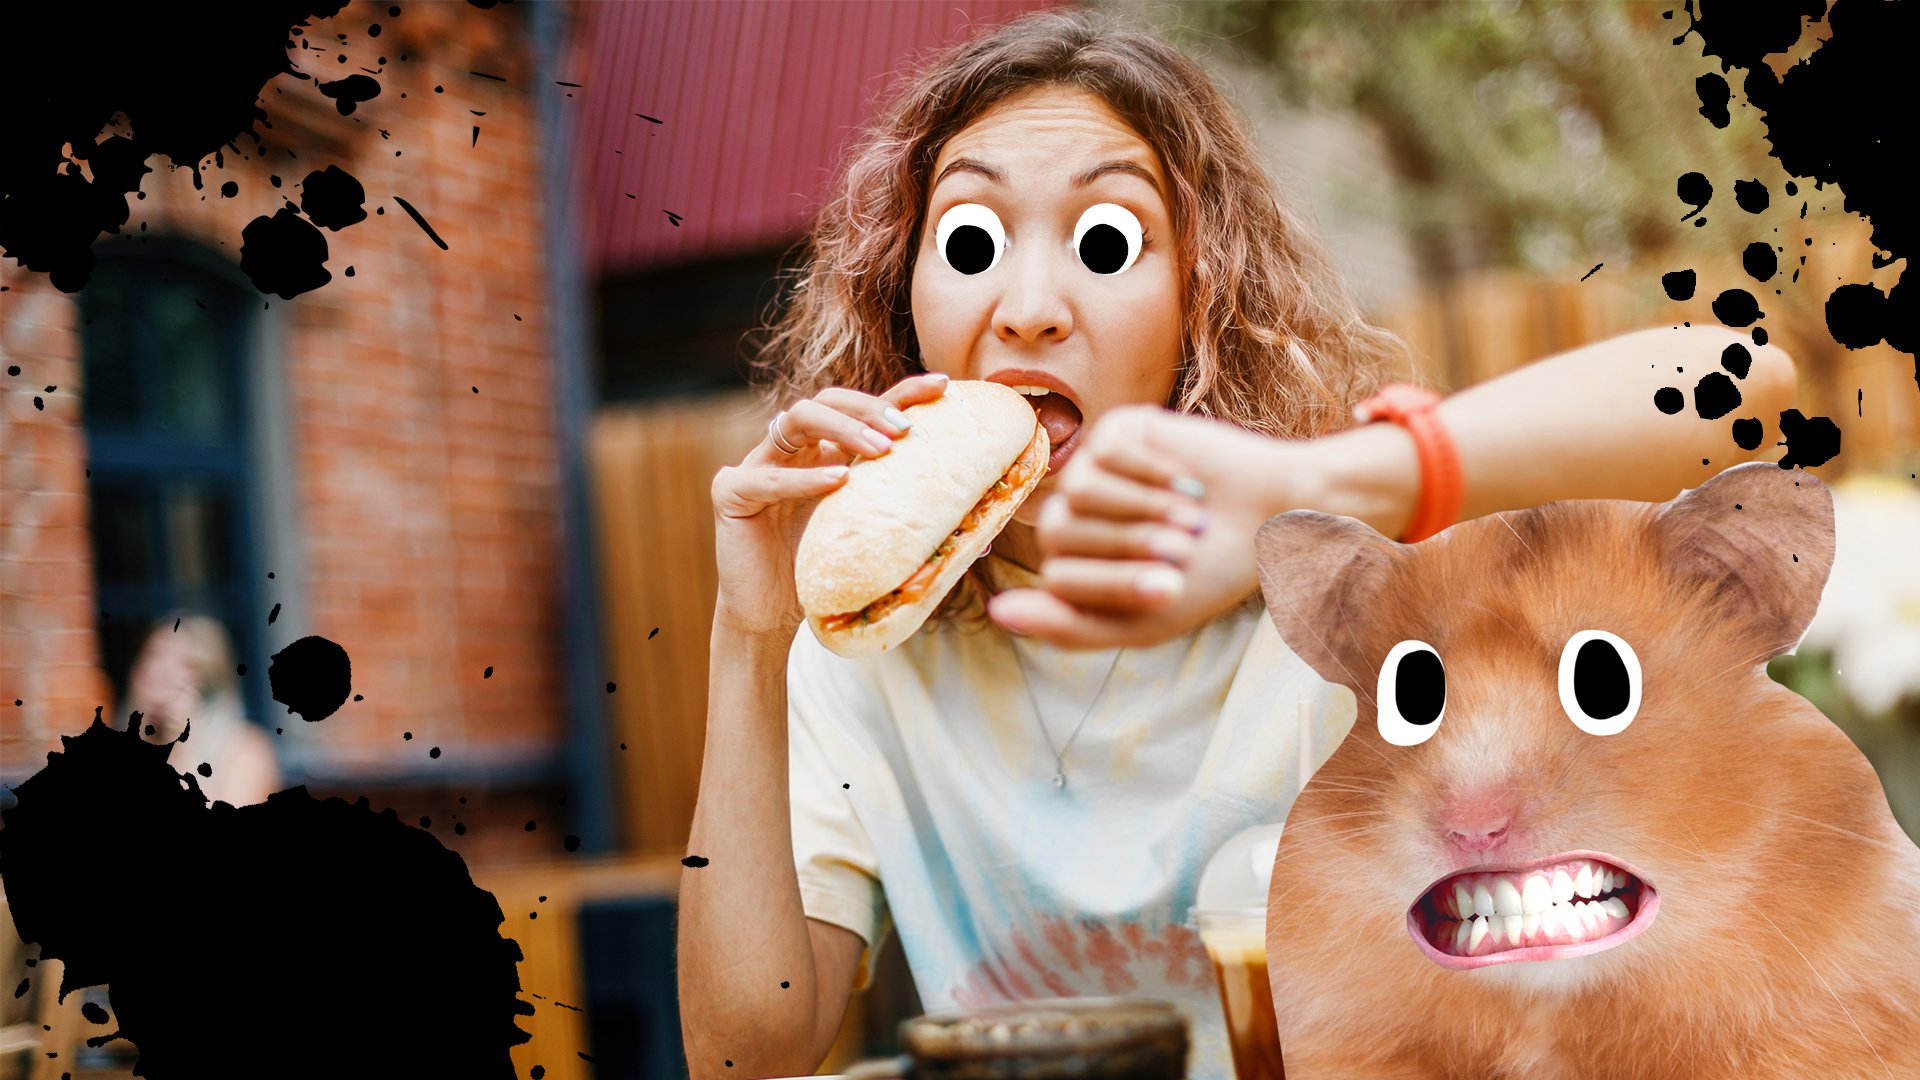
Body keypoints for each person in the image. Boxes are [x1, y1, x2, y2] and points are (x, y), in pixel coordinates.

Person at [676, 10, 1794, 1078]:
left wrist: (1325, 483)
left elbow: (1746, 387)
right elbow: (744, 1054)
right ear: (901, 295)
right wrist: (751, 635)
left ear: (1199, 300)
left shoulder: (1341, 577)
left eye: (1105, 241)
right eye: (970, 239)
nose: (1026, 306)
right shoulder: (860, 646)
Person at [122, 613, 280, 807]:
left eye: (184, 664)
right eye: (154, 655)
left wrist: (183, 746)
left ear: (209, 682)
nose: (159, 671)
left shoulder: (245, 751)